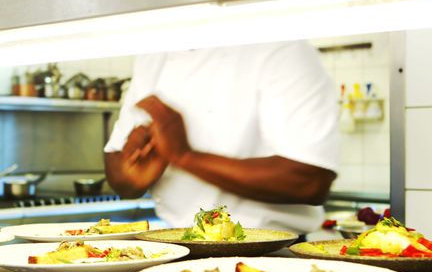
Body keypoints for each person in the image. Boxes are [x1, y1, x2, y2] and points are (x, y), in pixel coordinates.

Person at [103, 41, 338, 234]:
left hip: (271, 249)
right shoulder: (154, 53)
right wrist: (133, 171)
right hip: (176, 245)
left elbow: (309, 180)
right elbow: (117, 169)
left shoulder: (282, 47)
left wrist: (184, 156)